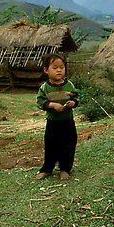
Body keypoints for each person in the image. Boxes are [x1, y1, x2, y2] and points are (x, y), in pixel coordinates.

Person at [35, 53, 79, 181]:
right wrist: (52, 105)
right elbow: (40, 102)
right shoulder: (45, 87)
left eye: (62, 67)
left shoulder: (69, 85)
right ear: (46, 70)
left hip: (68, 122)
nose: (59, 70)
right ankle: (47, 169)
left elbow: (76, 98)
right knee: (51, 146)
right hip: (53, 123)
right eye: (55, 68)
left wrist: (73, 103)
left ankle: (65, 169)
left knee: (69, 145)